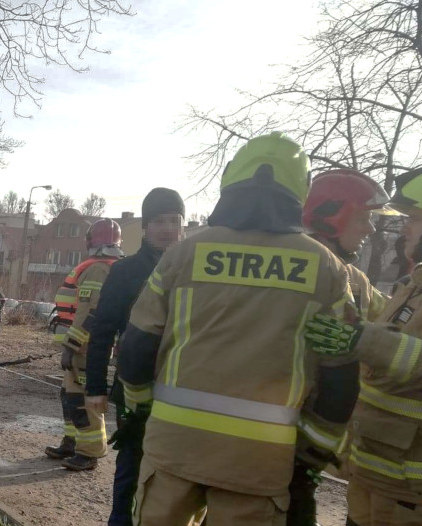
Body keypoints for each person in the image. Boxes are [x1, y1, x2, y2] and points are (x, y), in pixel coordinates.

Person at [118, 132, 358, 525]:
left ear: (229, 181)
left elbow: (137, 346)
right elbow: (340, 377)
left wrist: (140, 411)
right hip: (262, 462)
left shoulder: (184, 254)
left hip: (175, 447)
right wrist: (312, 456)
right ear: (301, 191)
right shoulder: (327, 270)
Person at [303, 168, 422, 526]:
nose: (403, 228)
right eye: (365, 218)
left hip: (406, 486)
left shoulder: (360, 281)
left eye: (414, 219)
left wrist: (364, 341)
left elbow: (372, 337)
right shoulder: (411, 285)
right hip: (374, 473)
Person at [286, 169, 393, 525]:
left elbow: (395, 317)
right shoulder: (295, 267)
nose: (370, 229)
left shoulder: (356, 280)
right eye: (364, 218)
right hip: (279, 434)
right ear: (333, 215)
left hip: (320, 438)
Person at [83, 187, 185, 524]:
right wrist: (95, 387)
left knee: (175, 479)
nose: (168, 228)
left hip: (184, 392)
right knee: (130, 468)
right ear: (145, 227)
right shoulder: (125, 272)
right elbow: (102, 332)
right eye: (159, 221)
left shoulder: (197, 271)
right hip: (134, 389)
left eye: (175, 220)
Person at [44, 218, 124, 471]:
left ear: (91, 241)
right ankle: (72, 441)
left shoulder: (98, 269)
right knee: (70, 396)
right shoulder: (105, 266)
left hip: (85, 348)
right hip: (82, 345)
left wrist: (72, 345)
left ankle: (89, 451)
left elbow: (91, 311)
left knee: (82, 398)